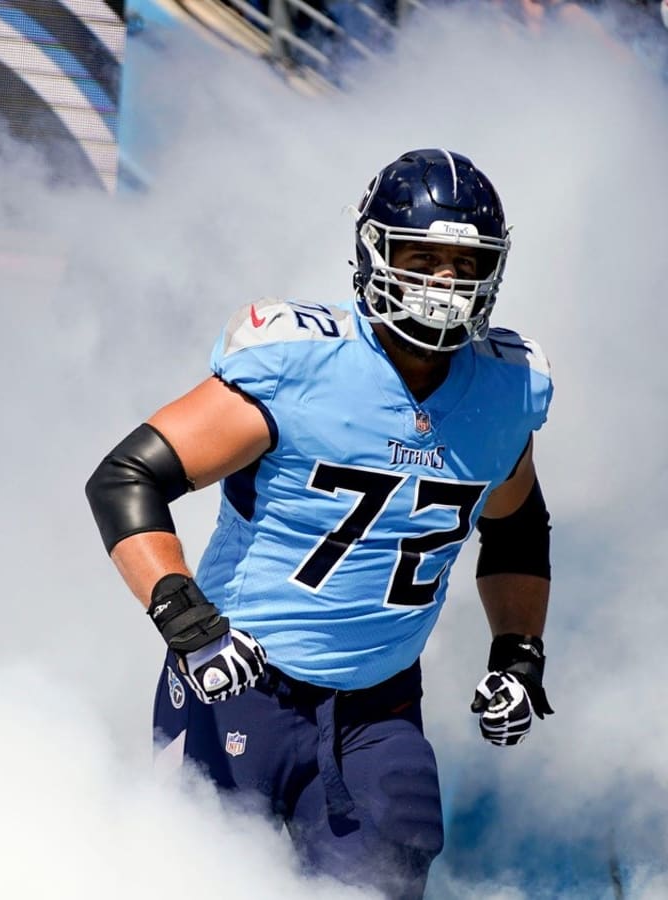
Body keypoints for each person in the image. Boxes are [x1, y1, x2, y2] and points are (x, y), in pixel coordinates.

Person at [86, 149, 554, 899]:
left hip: (379, 706)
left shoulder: (506, 391)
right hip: (237, 681)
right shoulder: (300, 365)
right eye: (420, 256)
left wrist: (519, 652)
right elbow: (126, 479)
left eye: (461, 263)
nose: (440, 283)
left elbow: (518, 524)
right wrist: (190, 624)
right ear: (374, 254)